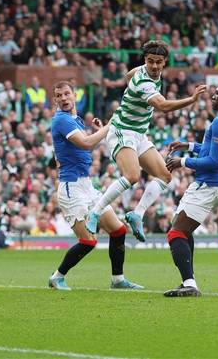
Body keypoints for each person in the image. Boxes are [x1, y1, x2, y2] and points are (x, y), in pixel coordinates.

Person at [87, 40, 205, 240]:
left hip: (138, 133)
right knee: (132, 176)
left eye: (159, 62)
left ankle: (137, 214)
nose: (155, 66)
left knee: (165, 176)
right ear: (145, 60)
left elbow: (127, 75)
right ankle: (95, 212)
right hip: (122, 130)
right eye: (150, 61)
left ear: (165, 62)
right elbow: (163, 106)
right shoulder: (144, 82)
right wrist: (191, 100)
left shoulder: (144, 71)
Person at [47, 81, 143, 291]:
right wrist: (110, 126)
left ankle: (118, 280)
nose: (63, 98)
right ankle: (57, 277)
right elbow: (86, 143)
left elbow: (84, 146)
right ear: (55, 100)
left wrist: (101, 132)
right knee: (88, 241)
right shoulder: (62, 120)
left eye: (66, 94)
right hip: (72, 188)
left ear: (75, 95)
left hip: (87, 186)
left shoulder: (76, 120)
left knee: (118, 230)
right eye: (58, 95)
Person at [163, 79, 218, 296]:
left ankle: (190, 285)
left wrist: (182, 161)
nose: (213, 97)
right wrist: (190, 146)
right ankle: (188, 282)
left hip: (210, 183)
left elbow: (215, 161)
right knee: (184, 230)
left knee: (175, 233)